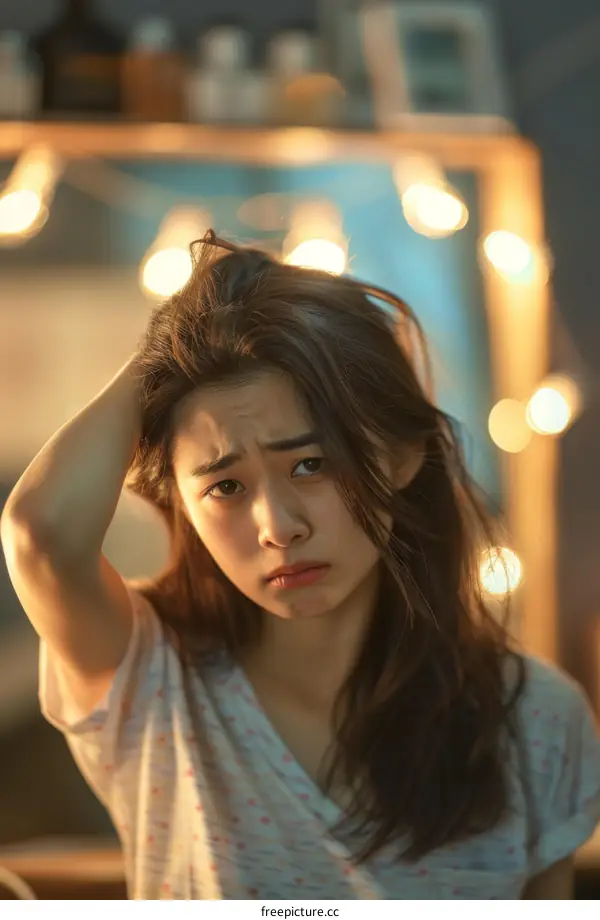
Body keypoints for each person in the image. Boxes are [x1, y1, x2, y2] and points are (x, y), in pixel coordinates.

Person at [1, 232, 599, 900]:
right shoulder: (149, 677)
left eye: (311, 465)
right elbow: (39, 533)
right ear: (183, 505)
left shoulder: (536, 719)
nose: (279, 527)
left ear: (399, 458)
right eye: (226, 486)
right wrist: (176, 340)